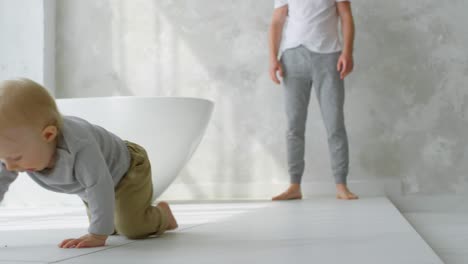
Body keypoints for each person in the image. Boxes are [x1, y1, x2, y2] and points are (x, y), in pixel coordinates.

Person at [0, 78, 178, 248]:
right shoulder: (14, 150)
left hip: (126, 171)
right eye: (2, 159)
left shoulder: (80, 145)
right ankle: (118, 217)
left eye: (15, 158)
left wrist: (97, 235)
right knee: (113, 227)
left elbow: (98, 184)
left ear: (48, 135)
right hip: (91, 183)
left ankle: (163, 216)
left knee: (132, 228)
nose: (9, 166)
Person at [268, 0, 358, 200]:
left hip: (328, 57)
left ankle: (341, 184)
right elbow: (277, 21)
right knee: (294, 125)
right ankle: (294, 185)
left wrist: (347, 52)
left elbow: (345, 15)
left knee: (334, 123)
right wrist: (273, 58)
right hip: (292, 57)